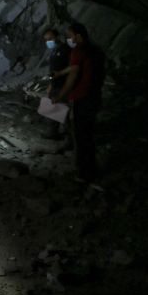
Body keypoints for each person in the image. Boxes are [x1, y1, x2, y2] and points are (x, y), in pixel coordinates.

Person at [53, 22, 105, 181]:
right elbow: (78, 68)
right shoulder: (96, 50)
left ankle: (84, 173)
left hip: (81, 98)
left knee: (81, 136)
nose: (69, 39)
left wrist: (59, 96)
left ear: (78, 35)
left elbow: (73, 76)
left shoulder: (78, 51)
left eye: (70, 36)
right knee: (88, 134)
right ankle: (90, 168)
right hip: (94, 96)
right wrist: (61, 72)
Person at [42, 28, 71, 140]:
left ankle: (70, 137)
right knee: (53, 107)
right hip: (55, 84)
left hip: (64, 84)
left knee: (63, 109)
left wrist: (61, 75)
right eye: (46, 40)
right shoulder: (54, 51)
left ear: (57, 37)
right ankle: (53, 132)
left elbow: (73, 67)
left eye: (50, 38)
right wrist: (51, 84)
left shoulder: (66, 50)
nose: (48, 41)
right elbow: (52, 70)